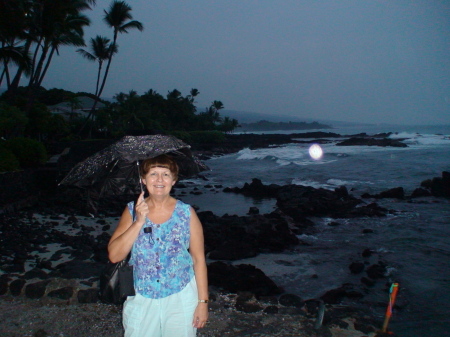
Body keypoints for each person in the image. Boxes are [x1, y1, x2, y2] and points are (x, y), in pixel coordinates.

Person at [108, 154, 209, 337]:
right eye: (153, 174)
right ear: (143, 180)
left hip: (181, 295)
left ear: (174, 180)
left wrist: (202, 302)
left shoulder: (187, 213)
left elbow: (199, 259)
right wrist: (138, 222)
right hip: (141, 296)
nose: (159, 180)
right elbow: (115, 255)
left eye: (166, 174)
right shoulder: (132, 211)